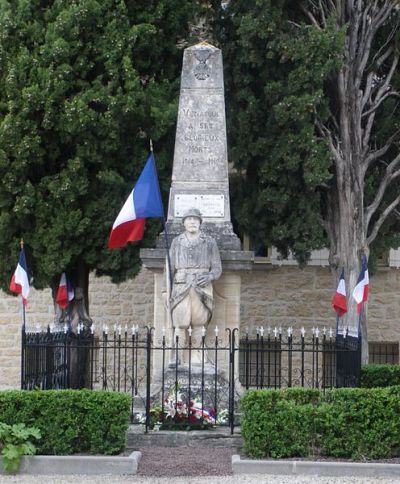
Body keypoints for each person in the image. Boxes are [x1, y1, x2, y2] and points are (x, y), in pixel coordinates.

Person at [167, 208, 222, 362]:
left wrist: (210, 276)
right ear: (184, 223)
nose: (192, 222)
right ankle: (177, 358)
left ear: (200, 222)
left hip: (202, 287)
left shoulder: (209, 242)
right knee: (180, 322)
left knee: (199, 323)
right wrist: (166, 292)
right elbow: (169, 269)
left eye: (195, 219)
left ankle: (199, 358)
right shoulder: (177, 242)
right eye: (189, 219)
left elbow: (217, 268)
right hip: (181, 286)